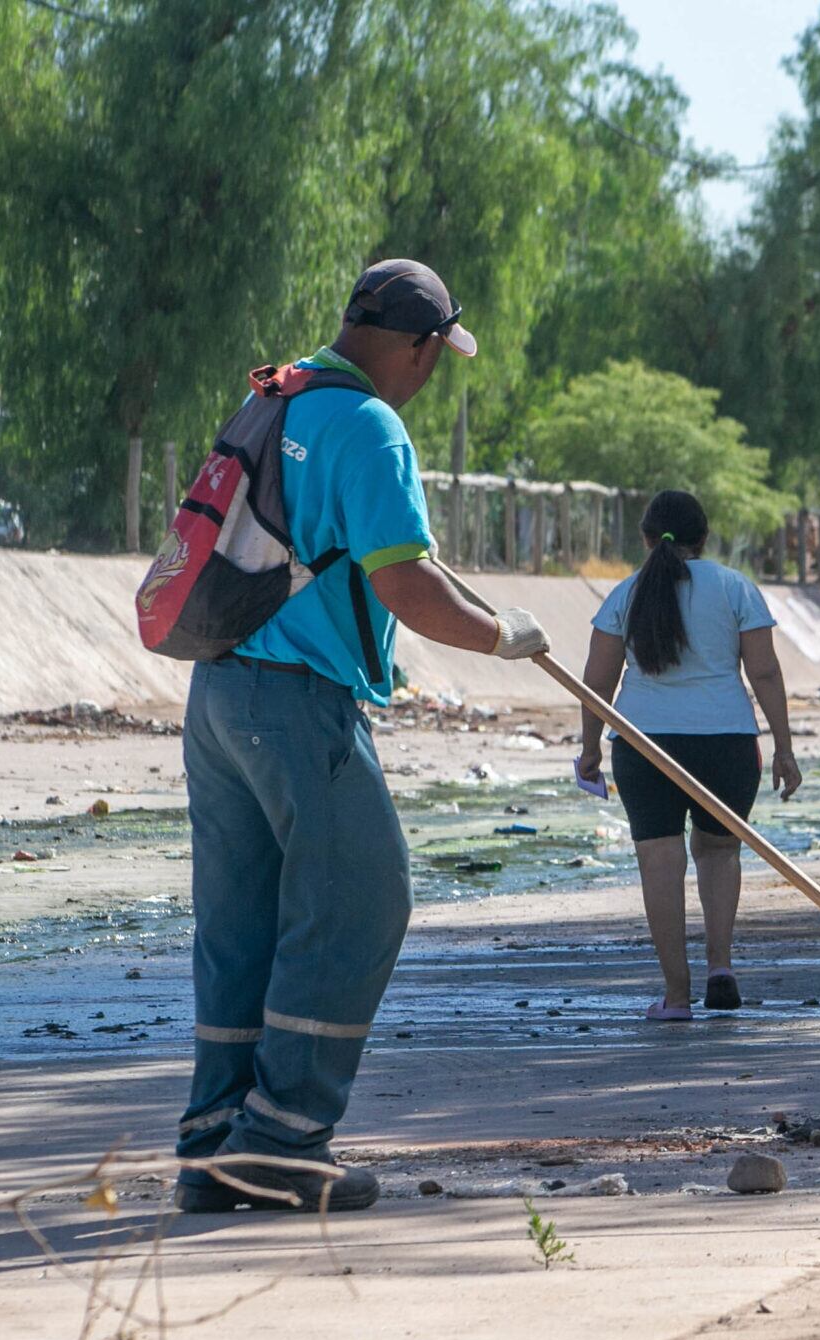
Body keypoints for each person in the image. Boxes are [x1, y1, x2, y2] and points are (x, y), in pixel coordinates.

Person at [175, 258, 548, 1214]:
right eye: (437, 355)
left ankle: (215, 1147)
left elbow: (387, 555)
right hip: (295, 704)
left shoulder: (282, 394)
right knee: (361, 902)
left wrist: (466, 599)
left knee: (242, 924)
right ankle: (286, 1143)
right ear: (419, 346)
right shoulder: (370, 426)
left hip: (217, 697)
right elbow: (406, 587)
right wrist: (500, 637)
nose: (432, 373)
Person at [574, 490, 802, 1018]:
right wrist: (785, 748)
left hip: (643, 743)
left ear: (647, 539)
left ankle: (676, 997)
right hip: (726, 742)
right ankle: (720, 967)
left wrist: (589, 748)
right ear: (705, 537)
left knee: (661, 861)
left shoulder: (625, 594)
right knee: (719, 852)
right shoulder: (734, 587)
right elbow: (764, 672)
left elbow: (597, 681)